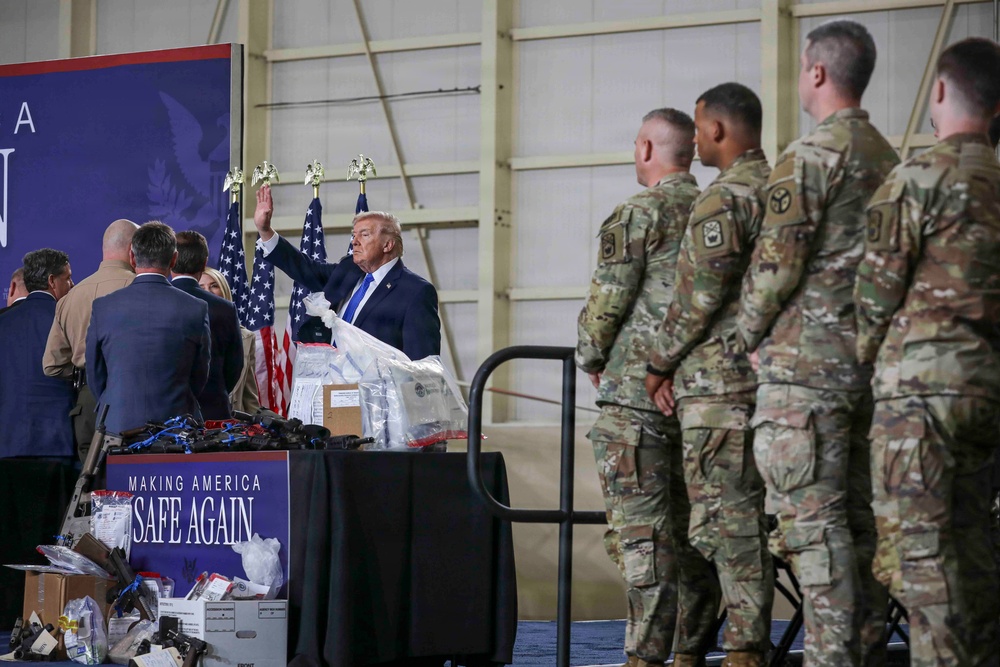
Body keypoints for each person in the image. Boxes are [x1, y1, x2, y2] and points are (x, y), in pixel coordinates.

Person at [736, 20, 899, 667]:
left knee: (812, 521)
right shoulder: (887, 158)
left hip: (805, 369)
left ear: (819, 73)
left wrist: (745, 336)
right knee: (858, 520)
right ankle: (862, 647)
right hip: (868, 367)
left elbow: (775, 266)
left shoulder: (809, 157)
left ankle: (831, 655)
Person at [854, 37, 1000, 667]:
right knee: (974, 547)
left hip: (920, 398)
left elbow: (874, 296)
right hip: (987, 394)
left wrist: (862, 363)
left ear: (939, 92)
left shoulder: (914, 178)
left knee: (921, 561)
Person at [576, 108, 718, 667]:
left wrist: (592, 356)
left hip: (636, 401)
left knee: (644, 544)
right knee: (697, 540)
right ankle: (691, 655)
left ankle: (645, 660)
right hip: (705, 401)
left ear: (646, 149)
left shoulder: (639, 213)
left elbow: (607, 303)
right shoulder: (718, 209)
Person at [645, 84, 773, 667]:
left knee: (728, 522)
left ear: (717, 130)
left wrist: (657, 364)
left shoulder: (726, 199)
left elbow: (698, 295)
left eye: (698, 129)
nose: (694, 141)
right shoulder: (783, 189)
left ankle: (744, 650)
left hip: (721, 387)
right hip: (779, 382)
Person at [252, 184, 441, 360]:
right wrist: (265, 230)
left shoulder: (415, 292)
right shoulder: (349, 270)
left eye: (364, 234)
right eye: (354, 235)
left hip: (377, 392)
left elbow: (421, 363)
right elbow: (305, 268)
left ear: (388, 244)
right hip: (332, 389)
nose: (354, 241)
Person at [86, 222, 211, 434]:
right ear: (174, 259)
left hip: (117, 426)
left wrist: (116, 401)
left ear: (132, 258)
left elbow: (95, 373)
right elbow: (200, 374)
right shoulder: (195, 308)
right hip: (175, 428)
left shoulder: (103, 307)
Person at [42, 219, 137, 457]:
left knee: (90, 485)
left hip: (87, 403)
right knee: (133, 482)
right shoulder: (141, 288)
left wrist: (85, 370)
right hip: (133, 397)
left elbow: (51, 366)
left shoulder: (70, 298)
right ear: (133, 249)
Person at [0, 249, 75, 458]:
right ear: (52, 281)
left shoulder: (3, 323)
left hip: (7, 445)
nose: (72, 285)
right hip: (58, 443)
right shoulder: (68, 321)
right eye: (68, 278)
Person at [171, 231, 243, 420]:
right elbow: (234, 366)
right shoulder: (225, 308)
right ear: (204, 264)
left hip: (166, 418)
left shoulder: (154, 302)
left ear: (171, 260)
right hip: (213, 412)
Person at [200, 267, 259, 414]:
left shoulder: (246, 337)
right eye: (200, 287)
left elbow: (249, 394)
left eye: (214, 286)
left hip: (233, 423)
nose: (207, 291)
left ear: (224, 291)